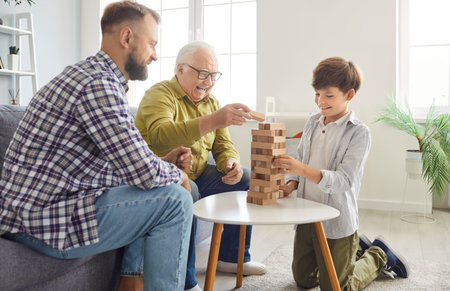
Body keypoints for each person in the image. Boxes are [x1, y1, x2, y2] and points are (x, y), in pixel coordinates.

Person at [0, 2, 194, 291]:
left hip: (39, 210)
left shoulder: (90, 76)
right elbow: (142, 171)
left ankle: (132, 282)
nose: (155, 54)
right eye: (152, 43)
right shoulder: (97, 85)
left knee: (162, 187)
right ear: (127, 38)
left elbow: (127, 163)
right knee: (174, 201)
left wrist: (163, 163)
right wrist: (177, 175)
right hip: (41, 221)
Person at [135, 40, 266, 291]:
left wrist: (231, 162)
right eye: (203, 73)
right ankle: (186, 281)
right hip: (163, 173)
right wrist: (212, 120)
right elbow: (161, 134)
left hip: (199, 172)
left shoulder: (212, 101)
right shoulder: (159, 94)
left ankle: (231, 257)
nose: (209, 81)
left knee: (246, 178)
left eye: (213, 75)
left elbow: (222, 144)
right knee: (189, 191)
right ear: (180, 69)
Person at [272, 57, 410, 291]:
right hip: (308, 217)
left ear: (349, 95)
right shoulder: (312, 123)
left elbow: (345, 181)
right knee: (303, 279)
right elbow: (302, 161)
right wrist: (291, 183)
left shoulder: (359, 133)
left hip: (336, 221)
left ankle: (378, 254)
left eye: (328, 95)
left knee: (338, 287)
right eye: (317, 94)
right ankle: (354, 251)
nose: (320, 102)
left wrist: (300, 169)